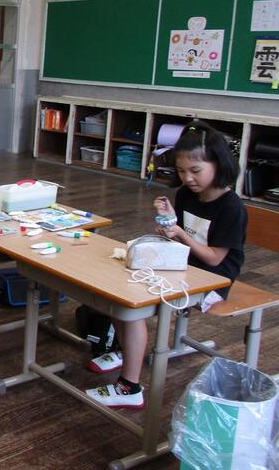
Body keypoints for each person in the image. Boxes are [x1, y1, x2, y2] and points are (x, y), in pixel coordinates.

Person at [86, 121, 246, 409]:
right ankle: (124, 351)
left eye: (195, 171)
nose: (188, 178)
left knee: (132, 307)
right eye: (182, 171)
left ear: (219, 165)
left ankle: (129, 387)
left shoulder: (231, 206)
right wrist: (168, 222)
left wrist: (180, 233)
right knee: (119, 291)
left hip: (213, 280)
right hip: (182, 266)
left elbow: (214, 258)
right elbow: (179, 239)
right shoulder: (186, 195)